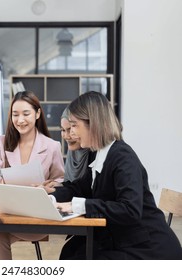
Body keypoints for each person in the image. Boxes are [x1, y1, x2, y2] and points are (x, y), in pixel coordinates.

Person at [52, 91, 182, 259]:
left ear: (93, 124)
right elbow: (78, 188)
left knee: (79, 258)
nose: (71, 133)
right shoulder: (99, 154)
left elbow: (130, 209)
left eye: (75, 125)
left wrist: (78, 206)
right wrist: (48, 197)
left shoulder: (122, 158)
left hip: (148, 248)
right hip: (124, 240)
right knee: (71, 251)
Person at [0, 90, 65, 260]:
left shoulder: (52, 146)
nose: (20, 120)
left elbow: (60, 180)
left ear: (37, 114)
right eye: (15, 114)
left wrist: (49, 187)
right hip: (8, 212)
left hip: (37, 217)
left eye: (26, 114)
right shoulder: (2, 142)